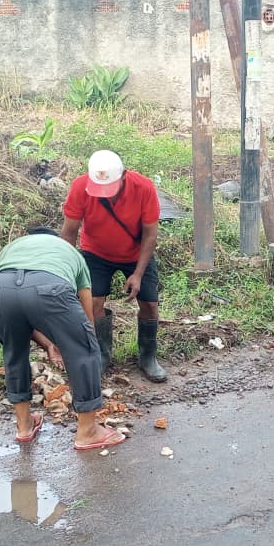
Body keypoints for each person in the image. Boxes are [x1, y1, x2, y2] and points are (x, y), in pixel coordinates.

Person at [0, 227, 126, 449]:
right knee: (84, 349)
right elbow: (87, 320)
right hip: (50, 286)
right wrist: (78, 342)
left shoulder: (11, 249)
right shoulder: (70, 253)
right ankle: (88, 430)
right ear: (56, 241)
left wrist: (51, 344)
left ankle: (23, 426)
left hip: (0, 289)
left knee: (14, 352)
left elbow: (23, 311)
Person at [60, 150, 167, 383]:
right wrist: (65, 270)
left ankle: (148, 357)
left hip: (135, 252)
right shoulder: (80, 187)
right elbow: (69, 232)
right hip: (95, 252)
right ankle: (101, 354)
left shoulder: (143, 188)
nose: (105, 195)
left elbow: (150, 235)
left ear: (124, 176)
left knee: (149, 302)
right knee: (93, 302)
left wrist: (138, 274)